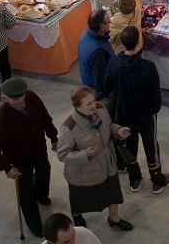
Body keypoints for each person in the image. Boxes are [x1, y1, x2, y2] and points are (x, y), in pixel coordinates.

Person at [0, 77, 59, 238]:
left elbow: (45, 118)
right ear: (5, 99)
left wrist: (53, 137)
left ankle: (42, 195)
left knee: (44, 172)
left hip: (39, 150)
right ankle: (34, 222)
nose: (20, 101)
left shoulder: (31, 97)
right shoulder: (1, 118)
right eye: (15, 99)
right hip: (20, 160)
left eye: (22, 97)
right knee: (25, 193)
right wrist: (6, 167)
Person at [103, 26, 169, 194]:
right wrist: (154, 109)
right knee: (151, 146)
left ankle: (134, 179)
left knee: (130, 145)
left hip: (124, 113)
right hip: (146, 114)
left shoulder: (115, 63)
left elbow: (107, 85)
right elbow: (155, 94)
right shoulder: (147, 67)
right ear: (139, 42)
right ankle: (156, 178)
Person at [56, 86, 133, 231]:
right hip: (84, 172)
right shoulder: (69, 127)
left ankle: (114, 218)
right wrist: (85, 154)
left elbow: (109, 127)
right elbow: (62, 154)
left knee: (113, 192)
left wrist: (118, 131)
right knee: (81, 198)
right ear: (77, 106)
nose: (93, 106)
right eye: (88, 104)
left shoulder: (101, 110)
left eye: (93, 101)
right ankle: (77, 216)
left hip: (107, 163)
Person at [77, 9, 114, 100]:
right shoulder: (98, 51)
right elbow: (100, 80)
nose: (110, 23)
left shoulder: (85, 34)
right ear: (102, 26)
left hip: (88, 83)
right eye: (109, 22)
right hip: (100, 94)